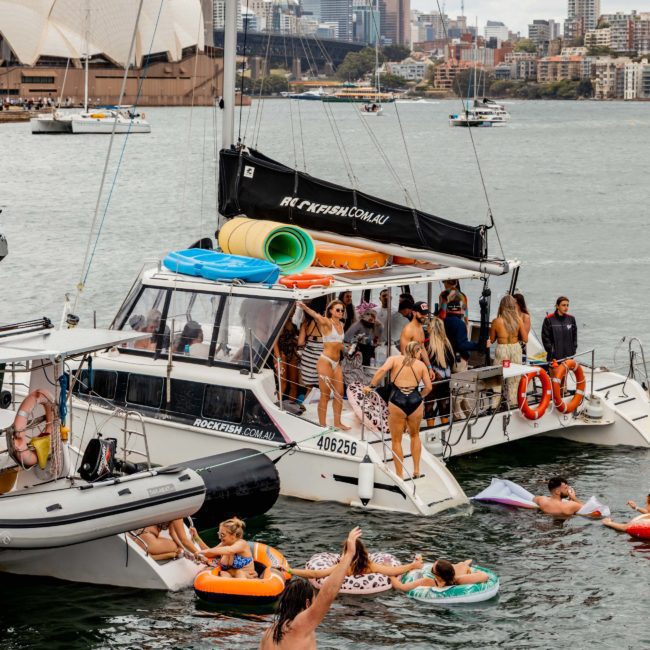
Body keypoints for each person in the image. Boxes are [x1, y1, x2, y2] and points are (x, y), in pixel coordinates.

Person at [259, 527, 362, 650]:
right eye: (314, 600)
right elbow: (327, 594)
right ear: (307, 603)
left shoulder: (269, 633)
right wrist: (349, 555)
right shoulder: (301, 624)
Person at [365, 341, 432, 479]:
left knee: (396, 440)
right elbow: (429, 387)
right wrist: (420, 396)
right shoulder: (421, 365)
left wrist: (371, 386)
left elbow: (382, 370)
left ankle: (400, 475)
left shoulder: (394, 359)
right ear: (417, 351)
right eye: (420, 352)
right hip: (415, 399)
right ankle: (417, 471)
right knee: (415, 436)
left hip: (397, 399)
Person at [297, 300, 350, 430]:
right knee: (325, 394)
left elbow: (337, 342)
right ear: (331, 311)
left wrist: (346, 348)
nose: (341, 312)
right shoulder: (327, 322)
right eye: (338, 310)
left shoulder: (341, 324)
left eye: (342, 310)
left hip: (336, 362)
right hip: (325, 361)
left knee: (339, 393)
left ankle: (337, 422)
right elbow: (316, 315)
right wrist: (305, 307)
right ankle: (322, 424)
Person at [289, 530, 423, 581]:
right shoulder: (370, 566)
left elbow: (316, 574)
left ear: (348, 553)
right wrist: (413, 565)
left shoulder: (342, 568)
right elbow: (394, 571)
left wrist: (290, 570)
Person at [487, 295, 528, 406]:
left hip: (502, 349)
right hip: (515, 348)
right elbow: (525, 339)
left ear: (502, 306)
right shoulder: (519, 320)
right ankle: (514, 404)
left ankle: (495, 405)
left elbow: (492, 339)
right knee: (514, 378)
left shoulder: (496, 321)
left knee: (497, 377)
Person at [389, 558, 489, 592]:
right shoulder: (458, 580)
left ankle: (465, 563)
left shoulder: (427, 581)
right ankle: (465, 563)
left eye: (432, 570)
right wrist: (477, 573)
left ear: (437, 576)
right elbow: (484, 576)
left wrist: (390, 574)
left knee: (462, 565)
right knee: (462, 565)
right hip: (451, 579)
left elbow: (400, 587)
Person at [426, 317, 456, 424]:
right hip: (446, 379)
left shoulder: (428, 345)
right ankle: (445, 430)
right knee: (444, 408)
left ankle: (430, 431)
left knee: (429, 407)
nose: (427, 327)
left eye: (428, 326)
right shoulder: (448, 344)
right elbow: (452, 362)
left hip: (433, 380)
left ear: (432, 328)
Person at [297, 298, 326, 398]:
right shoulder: (324, 321)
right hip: (321, 356)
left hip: (308, 357)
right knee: (322, 389)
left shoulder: (306, 322)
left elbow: (300, 342)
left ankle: (306, 408)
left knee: (309, 389)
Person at [400, 301, 435, 380]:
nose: (424, 316)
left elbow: (422, 348)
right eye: (422, 313)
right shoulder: (408, 329)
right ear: (414, 313)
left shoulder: (420, 327)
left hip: (417, 367)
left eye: (425, 313)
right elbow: (404, 353)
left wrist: (429, 367)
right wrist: (413, 371)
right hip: (409, 369)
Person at [443, 300, 478, 373]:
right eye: (463, 308)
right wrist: (478, 345)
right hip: (458, 361)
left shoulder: (442, 321)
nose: (464, 310)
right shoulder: (460, 324)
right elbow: (461, 345)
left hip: (445, 358)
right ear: (457, 309)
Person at [541, 296, 577, 362]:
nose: (566, 307)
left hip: (569, 356)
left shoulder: (571, 319)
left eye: (567, 305)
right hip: (554, 358)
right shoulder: (548, 319)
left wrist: (573, 349)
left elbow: (574, 336)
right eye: (563, 305)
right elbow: (545, 338)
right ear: (557, 306)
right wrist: (551, 351)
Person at [274, 314, 300, 403]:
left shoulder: (294, 321)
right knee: (283, 384)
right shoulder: (277, 320)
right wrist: (278, 359)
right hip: (281, 355)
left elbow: (294, 338)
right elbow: (274, 342)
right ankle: (277, 405)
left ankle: (291, 407)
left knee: (294, 385)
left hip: (292, 354)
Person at [513, 293, 532, 361]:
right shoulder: (509, 316)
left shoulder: (525, 317)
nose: (512, 304)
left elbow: (524, 337)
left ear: (520, 303)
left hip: (519, 345)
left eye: (514, 302)